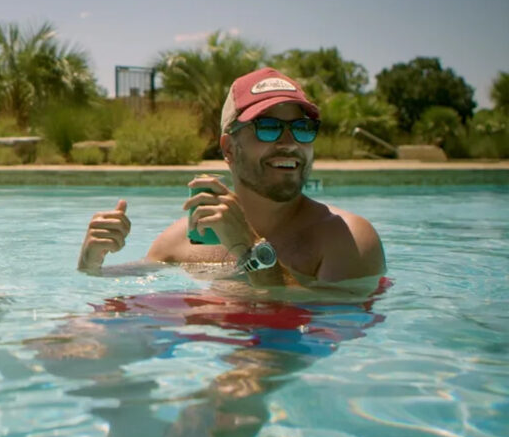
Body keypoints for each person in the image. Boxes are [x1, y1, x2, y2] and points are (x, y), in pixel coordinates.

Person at [78, 67, 385, 287]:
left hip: (271, 357)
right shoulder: (178, 242)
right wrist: (91, 260)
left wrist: (249, 249)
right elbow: (121, 290)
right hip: (197, 349)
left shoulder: (346, 239)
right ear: (229, 148)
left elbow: (324, 325)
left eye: (303, 128)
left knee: (248, 375)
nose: (290, 143)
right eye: (268, 127)